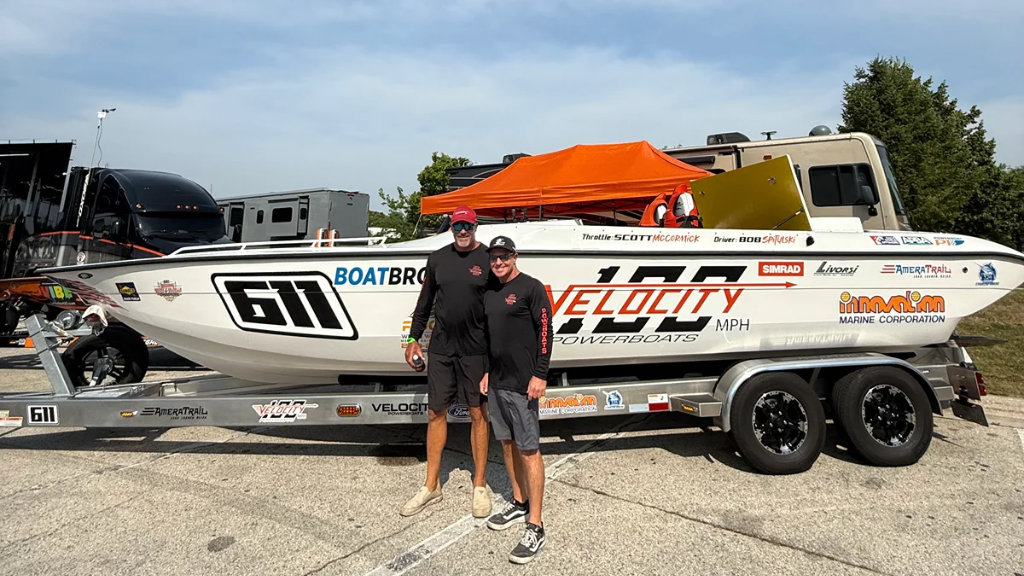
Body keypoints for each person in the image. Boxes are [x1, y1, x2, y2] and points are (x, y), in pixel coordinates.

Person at [401, 205, 492, 519]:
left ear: (475, 227)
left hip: (476, 350)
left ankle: (479, 485)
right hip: (441, 348)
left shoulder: (489, 258)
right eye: (457, 226)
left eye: (468, 226)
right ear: (451, 228)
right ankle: (431, 485)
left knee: (478, 413)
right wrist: (413, 339)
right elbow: (424, 302)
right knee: (435, 412)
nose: (463, 231)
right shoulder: (437, 258)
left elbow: (497, 309)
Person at [479, 235, 552, 564]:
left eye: (504, 256)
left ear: (515, 256)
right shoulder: (490, 291)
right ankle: (519, 501)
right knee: (507, 444)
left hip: (524, 384)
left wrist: (540, 374)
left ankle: (536, 524)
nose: (498, 262)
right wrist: (486, 371)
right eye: (494, 257)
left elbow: (546, 331)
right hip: (497, 382)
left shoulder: (531, 288)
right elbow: (488, 337)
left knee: (529, 450)